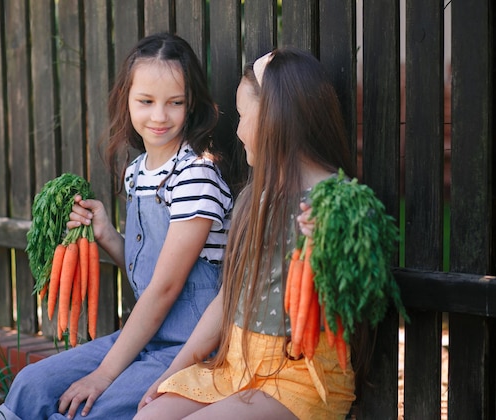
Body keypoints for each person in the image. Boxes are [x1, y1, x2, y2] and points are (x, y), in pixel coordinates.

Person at [0, 32, 233, 420]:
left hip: (190, 349)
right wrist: (107, 235)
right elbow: (148, 272)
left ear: (191, 106)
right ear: (127, 98)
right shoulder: (136, 174)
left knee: (90, 410)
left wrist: (104, 374)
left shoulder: (196, 176)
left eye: (175, 103)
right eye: (146, 101)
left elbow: (167, 288)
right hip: (145, 339)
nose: (159, 116)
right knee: (30, 384)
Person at [134, 47, 362, 420]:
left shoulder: (337, 200)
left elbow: (358, 294)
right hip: (237, 367)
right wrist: (173, 371)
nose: (237, 130)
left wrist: (329, 244)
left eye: (243, 116)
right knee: (148, 417)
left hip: (299, 378)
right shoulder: (254, 197)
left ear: (275, 119)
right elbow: (227, 299)